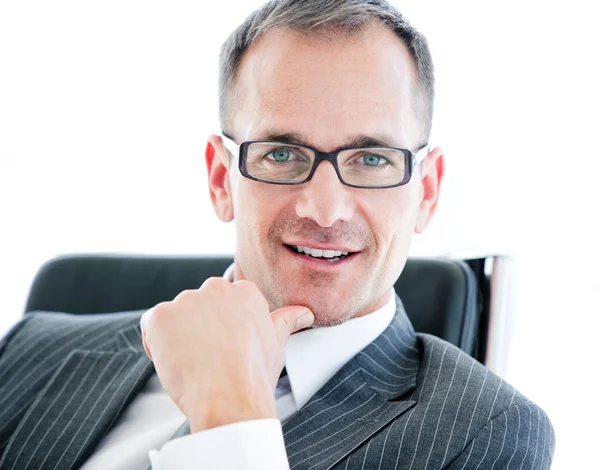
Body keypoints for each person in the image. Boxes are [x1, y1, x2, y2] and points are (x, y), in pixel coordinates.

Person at [0, 0, 554, 468]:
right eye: (281, 154)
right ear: (222, 180)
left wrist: (230, 415)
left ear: (426, 193)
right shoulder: (28, 351)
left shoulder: (487, 436)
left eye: (372, 159)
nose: (325, 209)